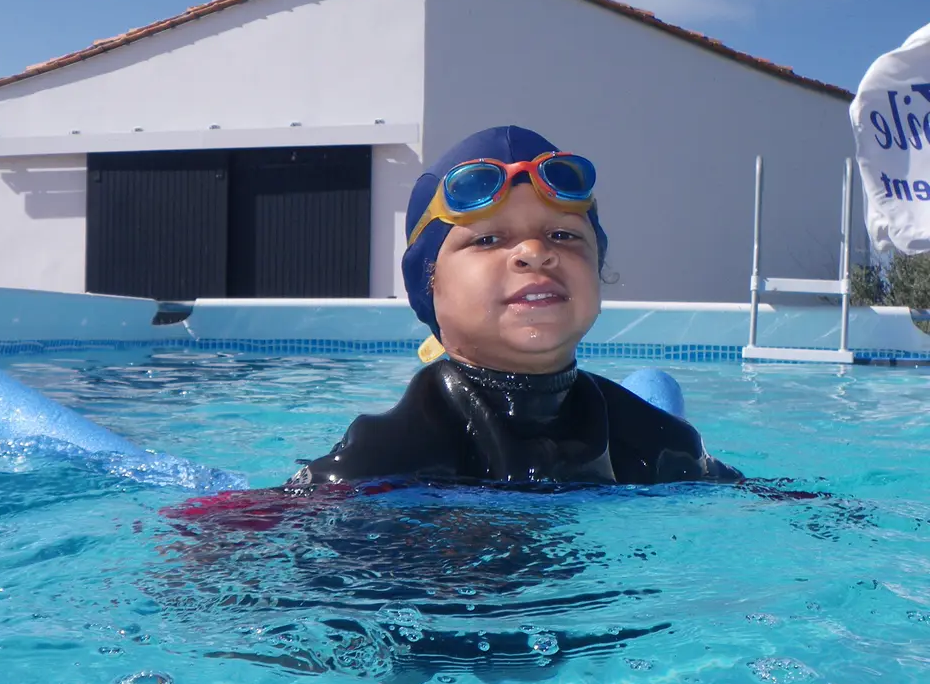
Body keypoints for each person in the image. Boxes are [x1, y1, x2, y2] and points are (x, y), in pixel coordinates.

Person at [292, 125, 741, 488]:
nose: (534, 252)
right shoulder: (383, 457)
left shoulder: (661, 442)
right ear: (429, 287)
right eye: (488, 239)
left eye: (563, 235)